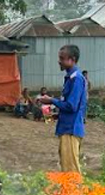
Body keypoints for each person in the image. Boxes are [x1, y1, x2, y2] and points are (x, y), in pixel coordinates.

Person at [39, 45, 87, 173]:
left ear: (72, 59)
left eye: (62, 58)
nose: (59, 61)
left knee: (71, 170)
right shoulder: (70, 78)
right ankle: (70, 192)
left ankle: (74, 193)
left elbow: (72, 106)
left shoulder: (76, 79)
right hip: (66, 127)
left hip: (71, 129)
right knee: (66, 167)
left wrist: (51, 100)